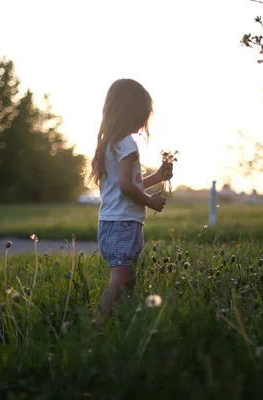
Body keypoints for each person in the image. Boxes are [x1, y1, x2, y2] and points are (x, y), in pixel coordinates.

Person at [87, 78, 173, 327]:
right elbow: (126, 187)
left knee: (128, 279)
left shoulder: (110, 144)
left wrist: (157, 177)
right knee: (120, 281)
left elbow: (123, 184)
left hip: (114, 222)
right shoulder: (127, 144)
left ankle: (122, 322)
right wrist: (150, 201)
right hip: (122, 223)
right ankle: (98, 326)